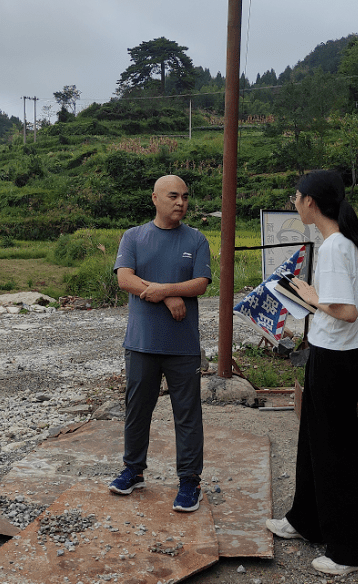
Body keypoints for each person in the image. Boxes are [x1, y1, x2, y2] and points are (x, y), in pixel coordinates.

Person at [266, 170, 358, 577]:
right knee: (314, 440)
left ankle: (355, 552)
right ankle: (308, 520)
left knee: (339, 452)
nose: (294, 202)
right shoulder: (346, 242)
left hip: (337, 358)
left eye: (296, 197)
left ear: (310, 202)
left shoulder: (338, 246)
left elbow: (347, 310)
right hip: (332, 354)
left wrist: (313, 297)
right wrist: (338, 297)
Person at [109, 174, 212, 512]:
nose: (181, 202)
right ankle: (133, 470)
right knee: (137, 411)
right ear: (155, 198)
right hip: (141, 343)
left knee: (187, 415)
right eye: (173, 196)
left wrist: (164, 290)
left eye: (185, 196)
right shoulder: (134, 237)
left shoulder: (196, 239)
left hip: (182, 346)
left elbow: (200, 284)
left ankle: (189, 481)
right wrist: (168, 297)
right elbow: (125, 279)